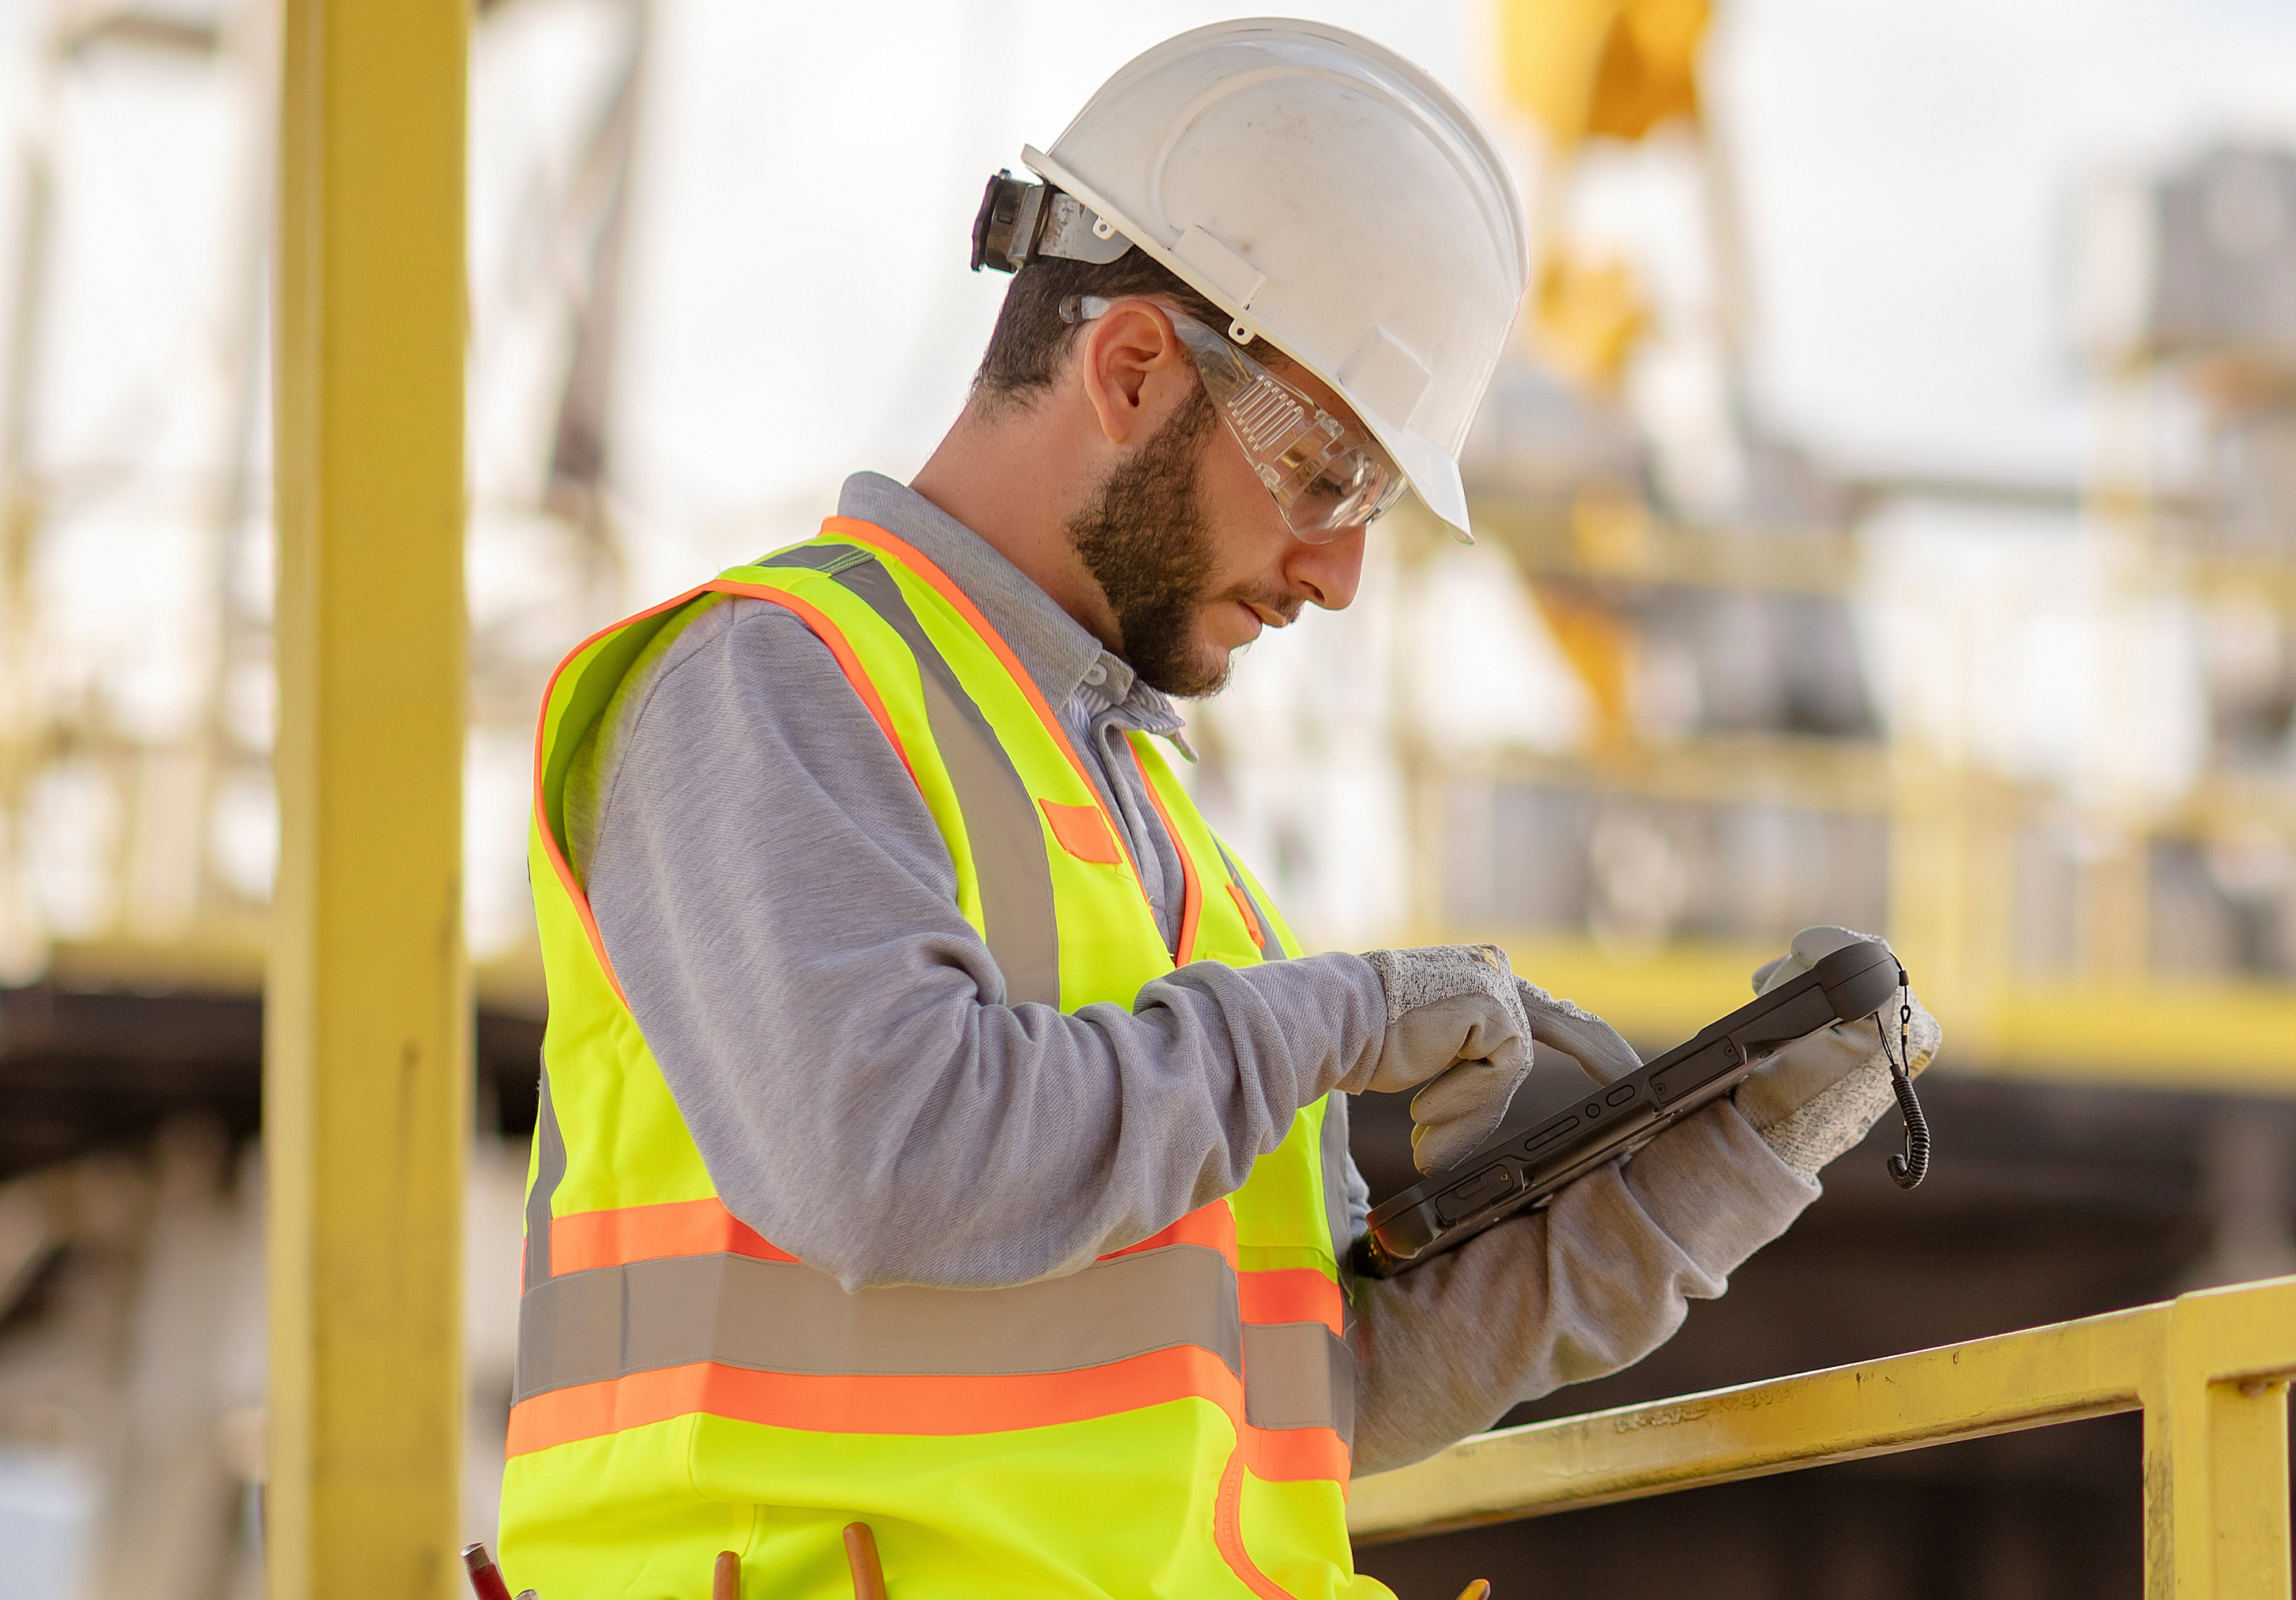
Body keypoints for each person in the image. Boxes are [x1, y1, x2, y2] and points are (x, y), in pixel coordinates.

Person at [495, 21, 1940, 1598]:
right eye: (1328, 478)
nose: (1338, 572)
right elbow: (887, 1152)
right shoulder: (775, 686)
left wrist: (1735, 1154)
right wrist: (1342, 1017)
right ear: (1130, 370)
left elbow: (1318, 1380)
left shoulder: (1171, 856)